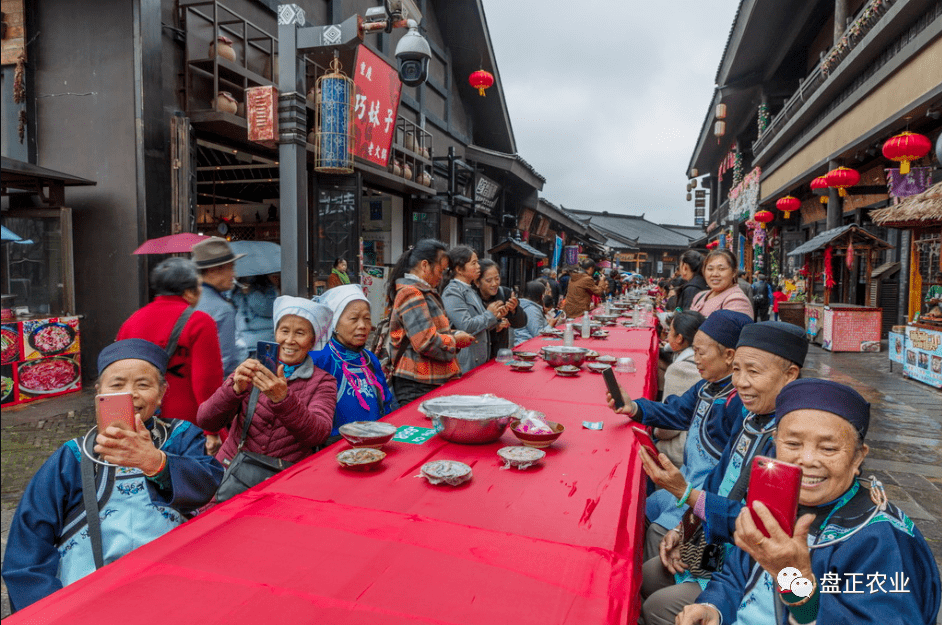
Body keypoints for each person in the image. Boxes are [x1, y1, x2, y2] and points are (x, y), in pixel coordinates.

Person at [679, 379, 941, 625]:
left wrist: (794, 581)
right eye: (792, 443)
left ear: (858, 458)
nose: (806, 460)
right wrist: (713, 609)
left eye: (828, 448)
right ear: (774, 445)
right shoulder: (776, 504)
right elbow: (735, 576)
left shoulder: (879, 540)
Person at [2, 339, 223, 612]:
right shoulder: (72, 457)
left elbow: (208, 482)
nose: (130, 394)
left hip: (172, 596)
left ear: (161, 392)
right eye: (117, 385)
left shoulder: (181, 437)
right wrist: (50, 612)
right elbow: (27, 550)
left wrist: (155, 462)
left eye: (143, 384)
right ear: (99, 392)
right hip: (89, 604)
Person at [634, 321, 806, 625]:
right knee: (643, 575)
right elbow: (717, 481)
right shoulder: (750, 417)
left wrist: (684, 492)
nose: (740, 382)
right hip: (712, 543)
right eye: (737, 370)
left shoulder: (787, 440)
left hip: (740, 563)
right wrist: (683, 531)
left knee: (657, 607)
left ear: (790, 374)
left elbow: (755, 524)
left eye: (753, 372)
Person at [609, 310, 752, 562]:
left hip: (704, 493)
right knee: (638, 508)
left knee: (655, 532)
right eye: (693, 351)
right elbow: (675, 412)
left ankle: (651, 583)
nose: (695, 359)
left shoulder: (736, 402)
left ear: (729, 356)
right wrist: (634, 407)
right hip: (684, 479)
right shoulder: (706, 386)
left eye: (700, 352)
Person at [196, 296, 337, 466]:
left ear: (312, 341)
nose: (290, 340)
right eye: (284, 331)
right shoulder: (252, 369)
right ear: (276, 333)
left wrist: (283, 399)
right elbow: (206, 420)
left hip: (283, 477)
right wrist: (233, 390)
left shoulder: (323, 382)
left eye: (300, 333)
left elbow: (318, 435)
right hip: (234, 472)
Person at [116, 258, 225, 454]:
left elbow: (117, 376)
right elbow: (207, 382)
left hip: (141, 423)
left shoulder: (131, 323)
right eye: (199, 286)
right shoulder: (200, 322)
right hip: (187, 427)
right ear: (189, 292)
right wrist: (212, 430)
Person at [386, 240, 475, 406]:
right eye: (440, 270)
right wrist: (455, 340)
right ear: (425, 265)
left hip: (426, 381)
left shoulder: (422, 292)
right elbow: (425, 341)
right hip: (417, 383)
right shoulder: (411, 293)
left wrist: (454, 335)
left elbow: (432, 332)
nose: (441, 277)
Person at [311, 285, 398, 439]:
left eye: (366, 318)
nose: (362, 326)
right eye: (353, 319)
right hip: (335, 448)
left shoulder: (370, 360)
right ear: (335, 322)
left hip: (375, 444)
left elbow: (386, 403)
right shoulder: (320, 360)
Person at [442, 246, 506, 374]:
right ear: (459, 269)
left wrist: (496, 321)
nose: (478, 266)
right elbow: (466, 325)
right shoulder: (453, 291)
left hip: (477, 358)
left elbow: (480, 322)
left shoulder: (470, 289)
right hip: (466, 361)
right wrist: (490, 314)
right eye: (474, 263)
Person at [192, 236, 246, 377]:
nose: (234, 275)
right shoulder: (222, 309)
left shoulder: (187, 299)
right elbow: (225, 362)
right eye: (231, 268)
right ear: (213, 270)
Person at [475, 259, 527, 358]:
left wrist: (514, 310)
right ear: (477, 282)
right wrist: (495, 325)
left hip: (500, 353)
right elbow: (470, 327)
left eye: (497, 278)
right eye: (489, 280)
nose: (494, 284)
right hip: (479, 356)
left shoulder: (505, 293)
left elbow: (521, 323)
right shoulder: (472, 298)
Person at [691, 250, 754, 319]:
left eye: (721, 269)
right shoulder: (700, 296)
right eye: (710, 269)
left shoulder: (737, 301)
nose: (714, 274)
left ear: (734, 272)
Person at [233, 273, 280, 356]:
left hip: (263, 342)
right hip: (243, 344)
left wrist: (250, 292)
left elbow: (267, 309)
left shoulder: (267, 286)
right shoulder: (235, 287)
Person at [514, 280, 560, 345]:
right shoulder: (531, 309)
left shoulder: (530, 307)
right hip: (527, 345)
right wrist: (550, 325)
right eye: (543, 294)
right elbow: (538, 334)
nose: (544, 296)